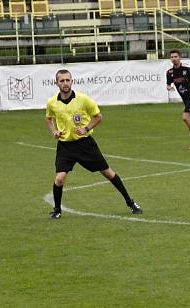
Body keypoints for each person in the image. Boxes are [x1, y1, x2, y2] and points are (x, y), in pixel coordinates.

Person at [45, 69, 142, 219]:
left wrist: (86, 128)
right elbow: (49, 119)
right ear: (56, 83)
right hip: (65, 146)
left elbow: (98, 117)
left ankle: (131, 203)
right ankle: (57, 210)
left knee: (108, 173)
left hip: (85, 144)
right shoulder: (52, 102)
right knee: (59, 179)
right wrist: (54, 132)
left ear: (72, 81)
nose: (65, 83)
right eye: (62, 81)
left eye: (67, 80)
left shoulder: (83, 99)